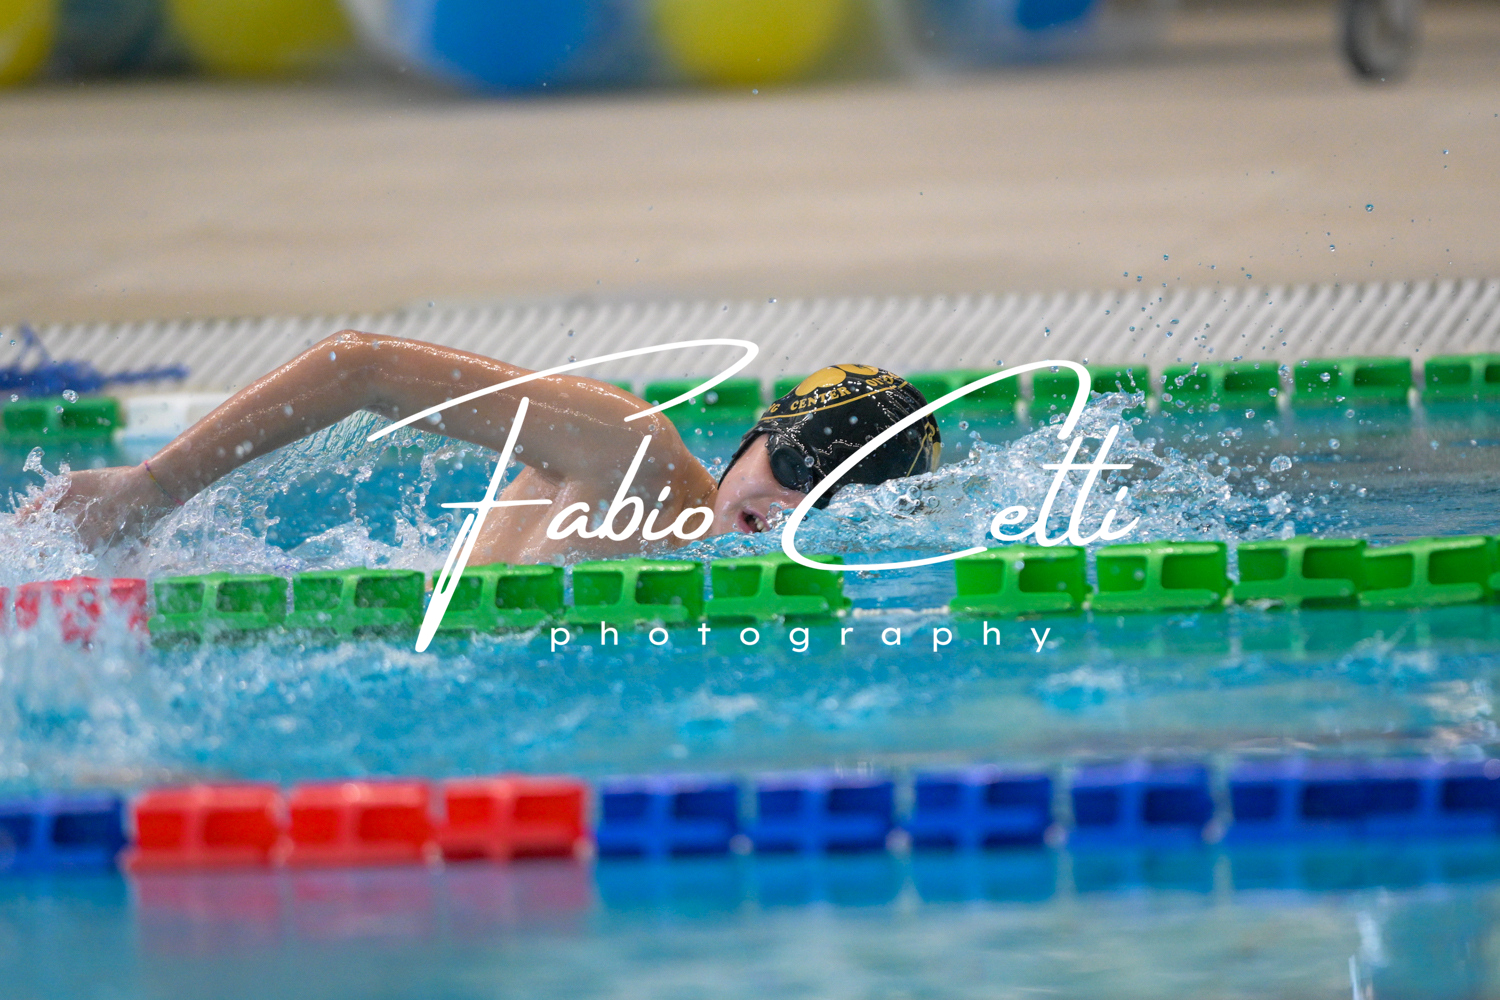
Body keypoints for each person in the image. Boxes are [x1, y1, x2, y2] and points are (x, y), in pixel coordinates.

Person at [32, 331, 941, 564]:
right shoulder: (629, 453)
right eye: (796, 467)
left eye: (829, 501)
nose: (790, 507)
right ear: (758, 436)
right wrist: (149, 489)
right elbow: (361, 368)